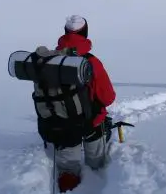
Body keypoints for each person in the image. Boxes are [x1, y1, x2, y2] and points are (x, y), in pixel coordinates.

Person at [42, 15, 116, 192]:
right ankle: (98, 179)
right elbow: (108, 97)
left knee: (68, 168)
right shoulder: (91, 62)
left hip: (61, 123)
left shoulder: (51, 60)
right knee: (97, 162)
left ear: (65, 32)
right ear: (85, 33)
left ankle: (68, 184)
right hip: (90, 123)